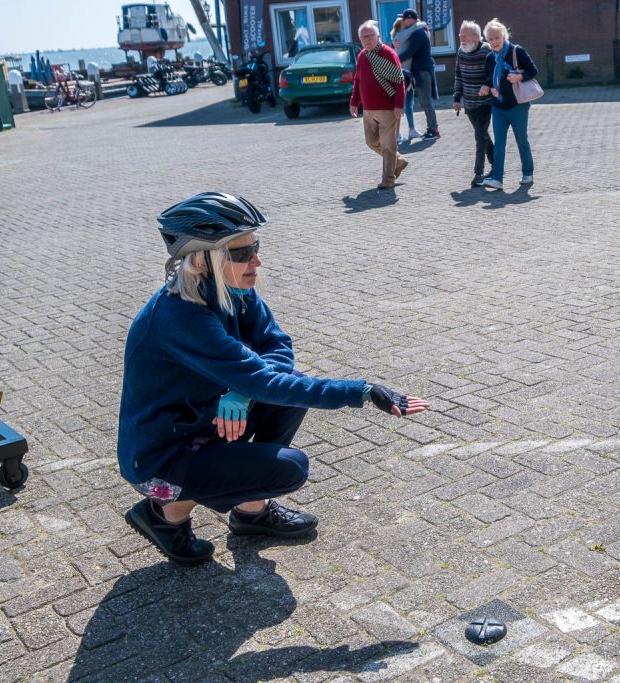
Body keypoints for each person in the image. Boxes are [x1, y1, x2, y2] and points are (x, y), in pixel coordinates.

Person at [118, 192, 430, 565]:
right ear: (205, 258)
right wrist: (361, 391)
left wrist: (239, 390)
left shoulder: (233, 290)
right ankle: (163, 515)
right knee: (289, 466)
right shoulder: (180, 316)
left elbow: (277, 345)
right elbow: (265, 382)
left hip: (200, 422)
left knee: (288, 390)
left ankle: (252, 513)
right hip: (159, 456)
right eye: (241, 253)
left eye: (256, 246)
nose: (256, 261)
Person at [349, 20, 409, 190]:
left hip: (388, 109)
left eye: (370, 36)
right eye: (363, 38)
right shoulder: (362, 55)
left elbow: (399, 82)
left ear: (378, 36)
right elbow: (358, 81)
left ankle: (388, 179)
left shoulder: (388, 54)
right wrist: (354, 102)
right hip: (368, 110)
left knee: (388, 145)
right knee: (371, 141)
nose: (367, 40)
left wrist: (399, 105)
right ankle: (399, 162)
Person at [481, 19, 537, 191]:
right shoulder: (490, 57)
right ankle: (497, 178)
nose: (494, 41)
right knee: (499, 143)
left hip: (518, 105)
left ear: (503, 36)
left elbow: (533, 70)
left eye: (497, 37)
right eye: (490, 39)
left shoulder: (516, 51)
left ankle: (528, 173)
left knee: (521, 139)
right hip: (498, 106)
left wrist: (519, 77)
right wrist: (488, 87)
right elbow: (490, 77)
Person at [453, 20, 494, 187]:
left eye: (465, 35)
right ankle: (497, 164)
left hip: (485, 102)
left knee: (479, 136)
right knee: (483, 135)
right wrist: (457, 97)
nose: (461, 38)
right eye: (460, 35)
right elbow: (458, 75)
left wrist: (487, 84)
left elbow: (494, 73)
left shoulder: (487, 51)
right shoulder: (461, 52)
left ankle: (479, 173)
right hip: (469, 103)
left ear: (476, 37)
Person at [394, 9, 440, 140]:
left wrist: (395, 59)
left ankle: (434, 129)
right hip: (421, 70)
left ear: (411, 19)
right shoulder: (419, 31)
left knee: (426, 101)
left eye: (404, 19)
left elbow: (409, 52)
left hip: (422, 71)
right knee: (425, 101)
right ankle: (431, 128)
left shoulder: (417, 33)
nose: (403, 21)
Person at [391, 18, 420, 143]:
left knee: (409, 104)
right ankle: (397, 133)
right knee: (401, 105)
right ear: (399, 27)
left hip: (409, 75)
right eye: (404, 25)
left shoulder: (403, 38)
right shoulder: (399, 37)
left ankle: (411, 129)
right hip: (402, 76)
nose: (407, 27)